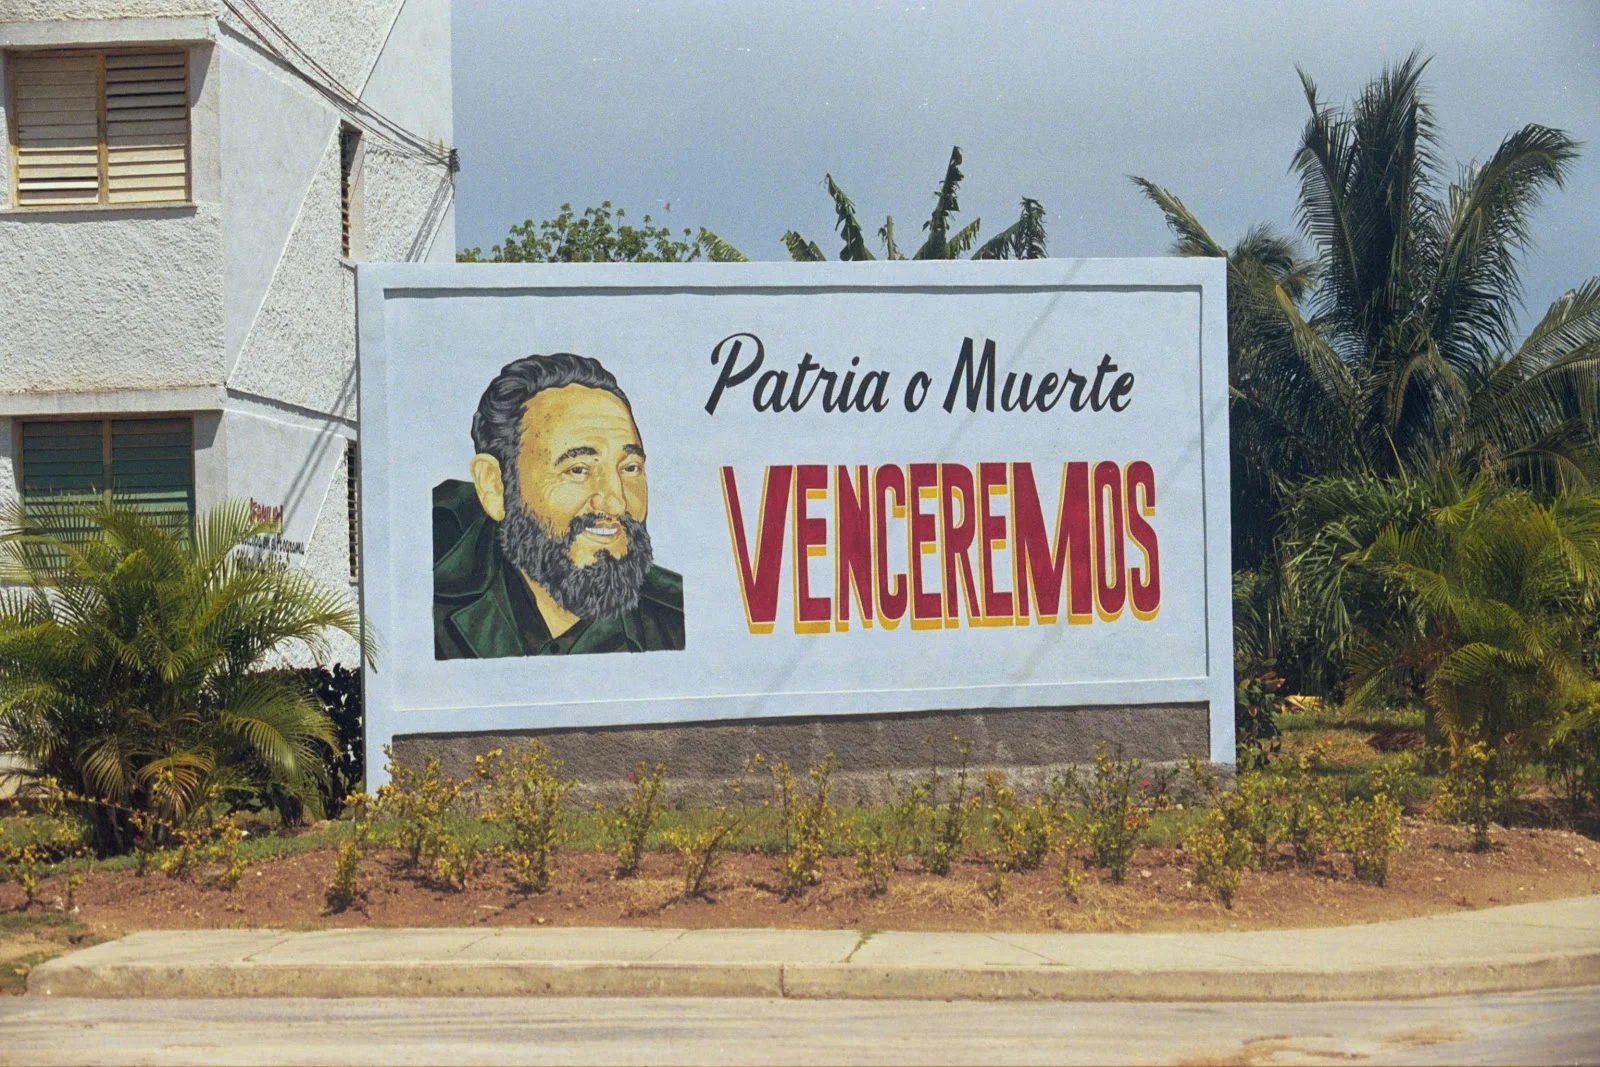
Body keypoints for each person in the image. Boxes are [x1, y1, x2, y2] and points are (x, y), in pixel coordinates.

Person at [432, 352, 685, 658]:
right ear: (494, 486)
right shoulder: (422, 604)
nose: (616, 502)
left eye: (630, 468)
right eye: (578, 469)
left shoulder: (676, 619)